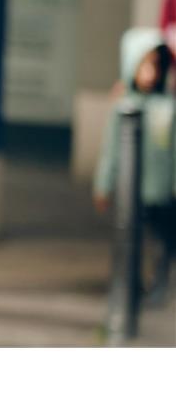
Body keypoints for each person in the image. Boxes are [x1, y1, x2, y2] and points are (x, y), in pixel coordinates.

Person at [93, 27, 176, 307]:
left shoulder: (168, 107)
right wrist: (104, 184)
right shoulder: (124, 106)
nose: (150, 74)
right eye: (144, 65)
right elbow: (111, 151)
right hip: (133, 191)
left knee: (164, 241)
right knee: (131, 241)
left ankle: (160, 285)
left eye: (156, 65)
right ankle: (130, 286)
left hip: (163, 191)